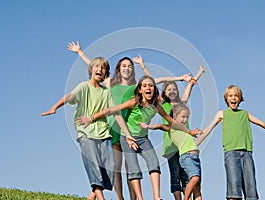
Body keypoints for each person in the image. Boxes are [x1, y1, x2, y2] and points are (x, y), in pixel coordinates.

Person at [68, 41, 192, 200]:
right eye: (123, 66)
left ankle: (134, 198)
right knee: (117, 167)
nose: (127, 68)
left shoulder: (136, 86)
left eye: (130, 66)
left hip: (130, 129)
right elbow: (95, 68)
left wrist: (180, 77)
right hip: (114, 127)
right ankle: (120, 198)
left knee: (130, 166)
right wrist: (80, 52)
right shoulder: (111, 82)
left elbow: (157, 80)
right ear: (118, 69)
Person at [77, 75, 202, 200]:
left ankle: (156, 197)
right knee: (134, 169)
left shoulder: (156, 105)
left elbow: (172, 121)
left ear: (154, 89)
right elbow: (111, 110)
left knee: (154, 163)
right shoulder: (134, 102)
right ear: (140, 90)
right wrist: (91, 118)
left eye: (151, 86)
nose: (148, 88)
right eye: (145, 86)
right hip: (127, 137)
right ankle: (140, 198)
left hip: (143, 138)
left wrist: (189, 131)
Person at [40, 57, 133, 200]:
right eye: (96, 66)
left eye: (102, 68)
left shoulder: (105, 92)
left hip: (103, 133)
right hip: (86, 132)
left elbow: (116, 113)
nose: (99, 69)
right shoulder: (84, 86)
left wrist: (127, 134)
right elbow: (70, 96)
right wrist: (55, 107)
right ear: (91, 70)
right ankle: (101, 198)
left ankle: (91, 196)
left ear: (105, 73)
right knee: (94, 165)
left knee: (110, 167)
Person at [197, 85, 265, 200]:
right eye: (230, 96)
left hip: (247, 154)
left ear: (240, 99)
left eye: (236, 96)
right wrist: (195, 145)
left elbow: (262, 123)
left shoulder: (245, 114)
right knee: (234, 191)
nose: (234, 98)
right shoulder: (222, 114)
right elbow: (208, 130)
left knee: (251, 190)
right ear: (226, 99)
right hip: (231, 154)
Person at [139, 103, 202, 200]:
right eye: (183, 117)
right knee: (195, 178)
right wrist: (147, 126)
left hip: (195, 158)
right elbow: (160, 126)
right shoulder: (172, 128)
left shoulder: (185, 129)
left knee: (197, 186)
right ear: (175, 116)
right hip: (187, 156)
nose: (185, 120)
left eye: (187, 117)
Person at [160, 66, 205, 200]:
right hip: (171, 146)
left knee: (187, 175)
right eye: (169, 89)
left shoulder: (181, 104)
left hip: (184, 147)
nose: (172, 91)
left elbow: (190, 87)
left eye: (174, 89)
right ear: (164, 93)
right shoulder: (163, 105)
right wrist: (144, 68)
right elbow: (151, 85)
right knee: (175, 174)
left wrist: (199, 72)